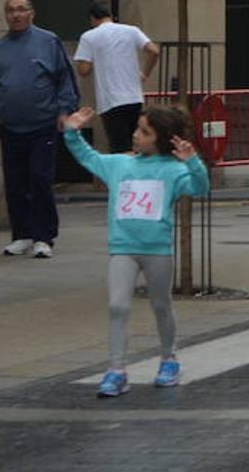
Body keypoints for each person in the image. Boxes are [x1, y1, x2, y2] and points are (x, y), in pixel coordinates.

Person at [62, 104, 209, 397]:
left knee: (161, 304)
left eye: (145, 132)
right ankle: (116, 370)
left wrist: (193, 161)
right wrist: (72, 132)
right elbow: (88, 158)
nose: (136, 135)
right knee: (117, 306)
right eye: (137, 129)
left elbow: (199, 186)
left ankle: (169, 359)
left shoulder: (174, 170)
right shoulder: (119, 165)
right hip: (123, 248)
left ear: (161, 138)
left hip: (157, 250)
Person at [0, 0, 80, 258]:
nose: (16, 15)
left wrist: (64, 110)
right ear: (5, 15)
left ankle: (44, 237)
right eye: (11, 10)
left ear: (31, 14)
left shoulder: (48, 41)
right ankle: (21, 234)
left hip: (42, 124)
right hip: (11, 126)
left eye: (21, 10)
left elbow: (64, 79)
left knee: (39, 179)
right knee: (15, 183)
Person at [73, 2, 160, 153]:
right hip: (134, 98)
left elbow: (83, 70)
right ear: (111, 16)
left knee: (120, 147)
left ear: (92, 19)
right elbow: (154, 50)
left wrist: (97, 57)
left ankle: (125, 176)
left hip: (111, 101)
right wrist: (144, 73)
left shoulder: (89, 37)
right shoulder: (132, 31)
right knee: (137, 144)